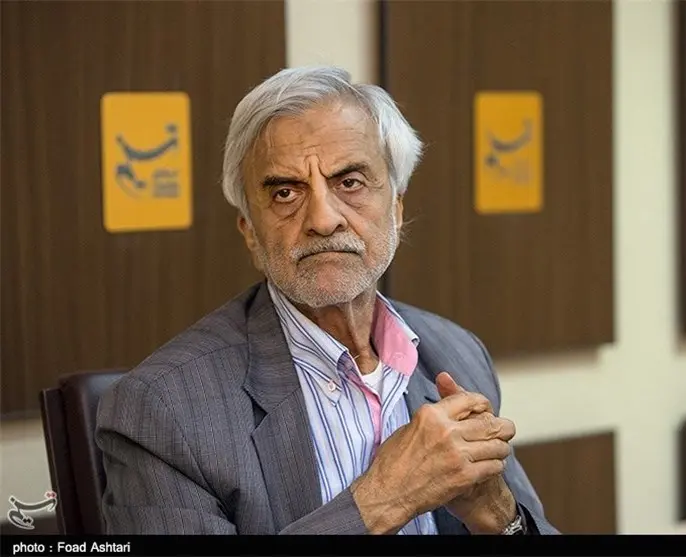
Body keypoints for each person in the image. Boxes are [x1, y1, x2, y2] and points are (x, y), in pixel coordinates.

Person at [96, 66, 558, 535]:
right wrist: (383, 499)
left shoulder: (456, 354)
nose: (323, 219)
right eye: (285, 192)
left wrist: (499, 515)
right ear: (250, 232)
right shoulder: (164, 409)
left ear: (396, 209)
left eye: (349, 182)